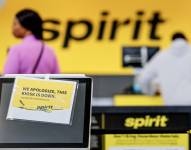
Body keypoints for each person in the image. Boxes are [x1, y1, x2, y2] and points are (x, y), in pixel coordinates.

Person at [137, 32, 191, 105]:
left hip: (172, 105)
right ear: (186, 40)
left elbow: (143, 79)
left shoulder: (162, 56)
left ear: (172, 41)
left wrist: (150, 92)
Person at [4, 9, 60, 74]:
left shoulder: (15, 50)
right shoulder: (50, 50)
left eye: (15, 24)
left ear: (27, 26)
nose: (12, 27)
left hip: (22, 84)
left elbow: (8, 80)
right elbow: (56, 77)